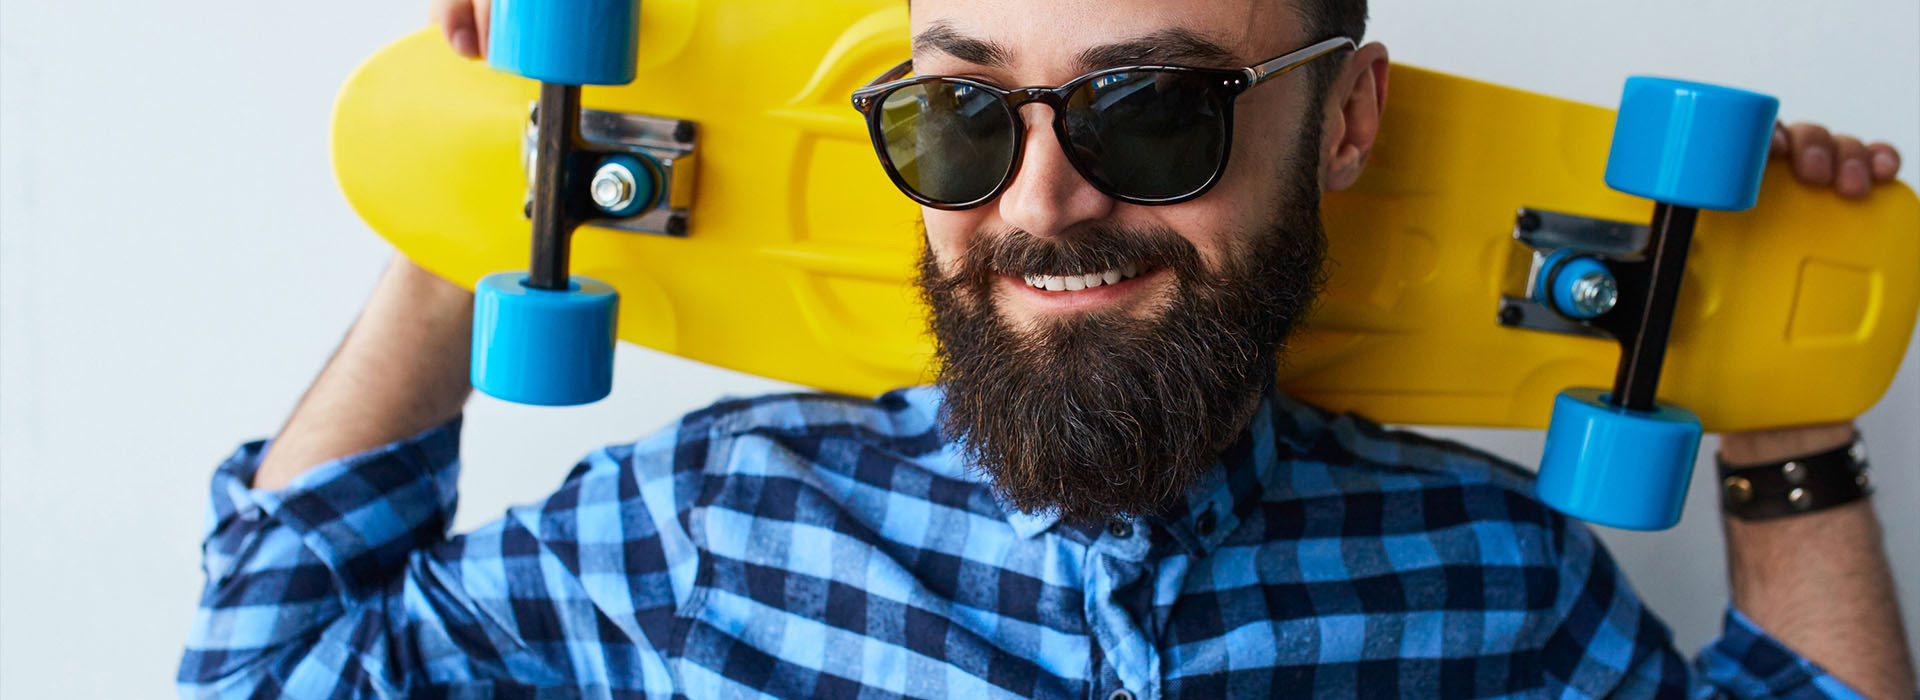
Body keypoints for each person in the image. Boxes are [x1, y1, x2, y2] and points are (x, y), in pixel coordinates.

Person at [179, 0, 1916, 697]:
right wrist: (466, 214)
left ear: (1348, 121)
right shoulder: (711, 527)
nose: (1040, 199)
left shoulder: (1490, 576)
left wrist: (1777, 397)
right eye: (955, 117)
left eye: (1153, 112)